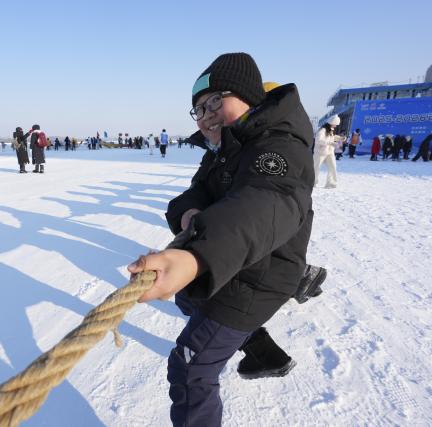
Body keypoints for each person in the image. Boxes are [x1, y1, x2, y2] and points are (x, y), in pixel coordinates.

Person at [127, 52, 315, 425]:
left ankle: (251, 345)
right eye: (198, 108)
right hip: (237, 264)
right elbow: (195, 191)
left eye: (216, 100)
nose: (207, 113)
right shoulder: (224, 147)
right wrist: (189, 214)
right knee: (186, 297)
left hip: (258, 276)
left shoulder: (277, 144)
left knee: (189, 369)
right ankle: (263, 353)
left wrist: (197, 257)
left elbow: (269, 200)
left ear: (249, 97)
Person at [314, 115, 343, 188]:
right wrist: (330, 143)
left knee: (333, 167)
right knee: (316, 167)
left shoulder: (331, 130)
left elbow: (332, 138)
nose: (336, 126)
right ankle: (312, 182)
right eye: (335, 124)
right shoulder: (322, 130)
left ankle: (331, 183)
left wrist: (340, 138)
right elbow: (318, 140)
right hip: (320, 152)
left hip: (330, 152)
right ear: (332, 122)